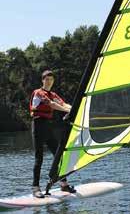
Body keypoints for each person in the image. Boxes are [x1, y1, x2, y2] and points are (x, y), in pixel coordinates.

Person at [30, 70, 76, 198]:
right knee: (39, 158)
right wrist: (69, 110)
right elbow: (52, 104)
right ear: (42, 80)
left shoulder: (53, 94)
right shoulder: (38, 93)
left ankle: (63, 184)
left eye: (51, 79)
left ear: (53, 81)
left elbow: (62, 103)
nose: (49, 81)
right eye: (46, 79)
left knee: (59, 155)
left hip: (48, 126)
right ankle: (35, 188)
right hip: (38, 126)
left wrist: (74, 108)